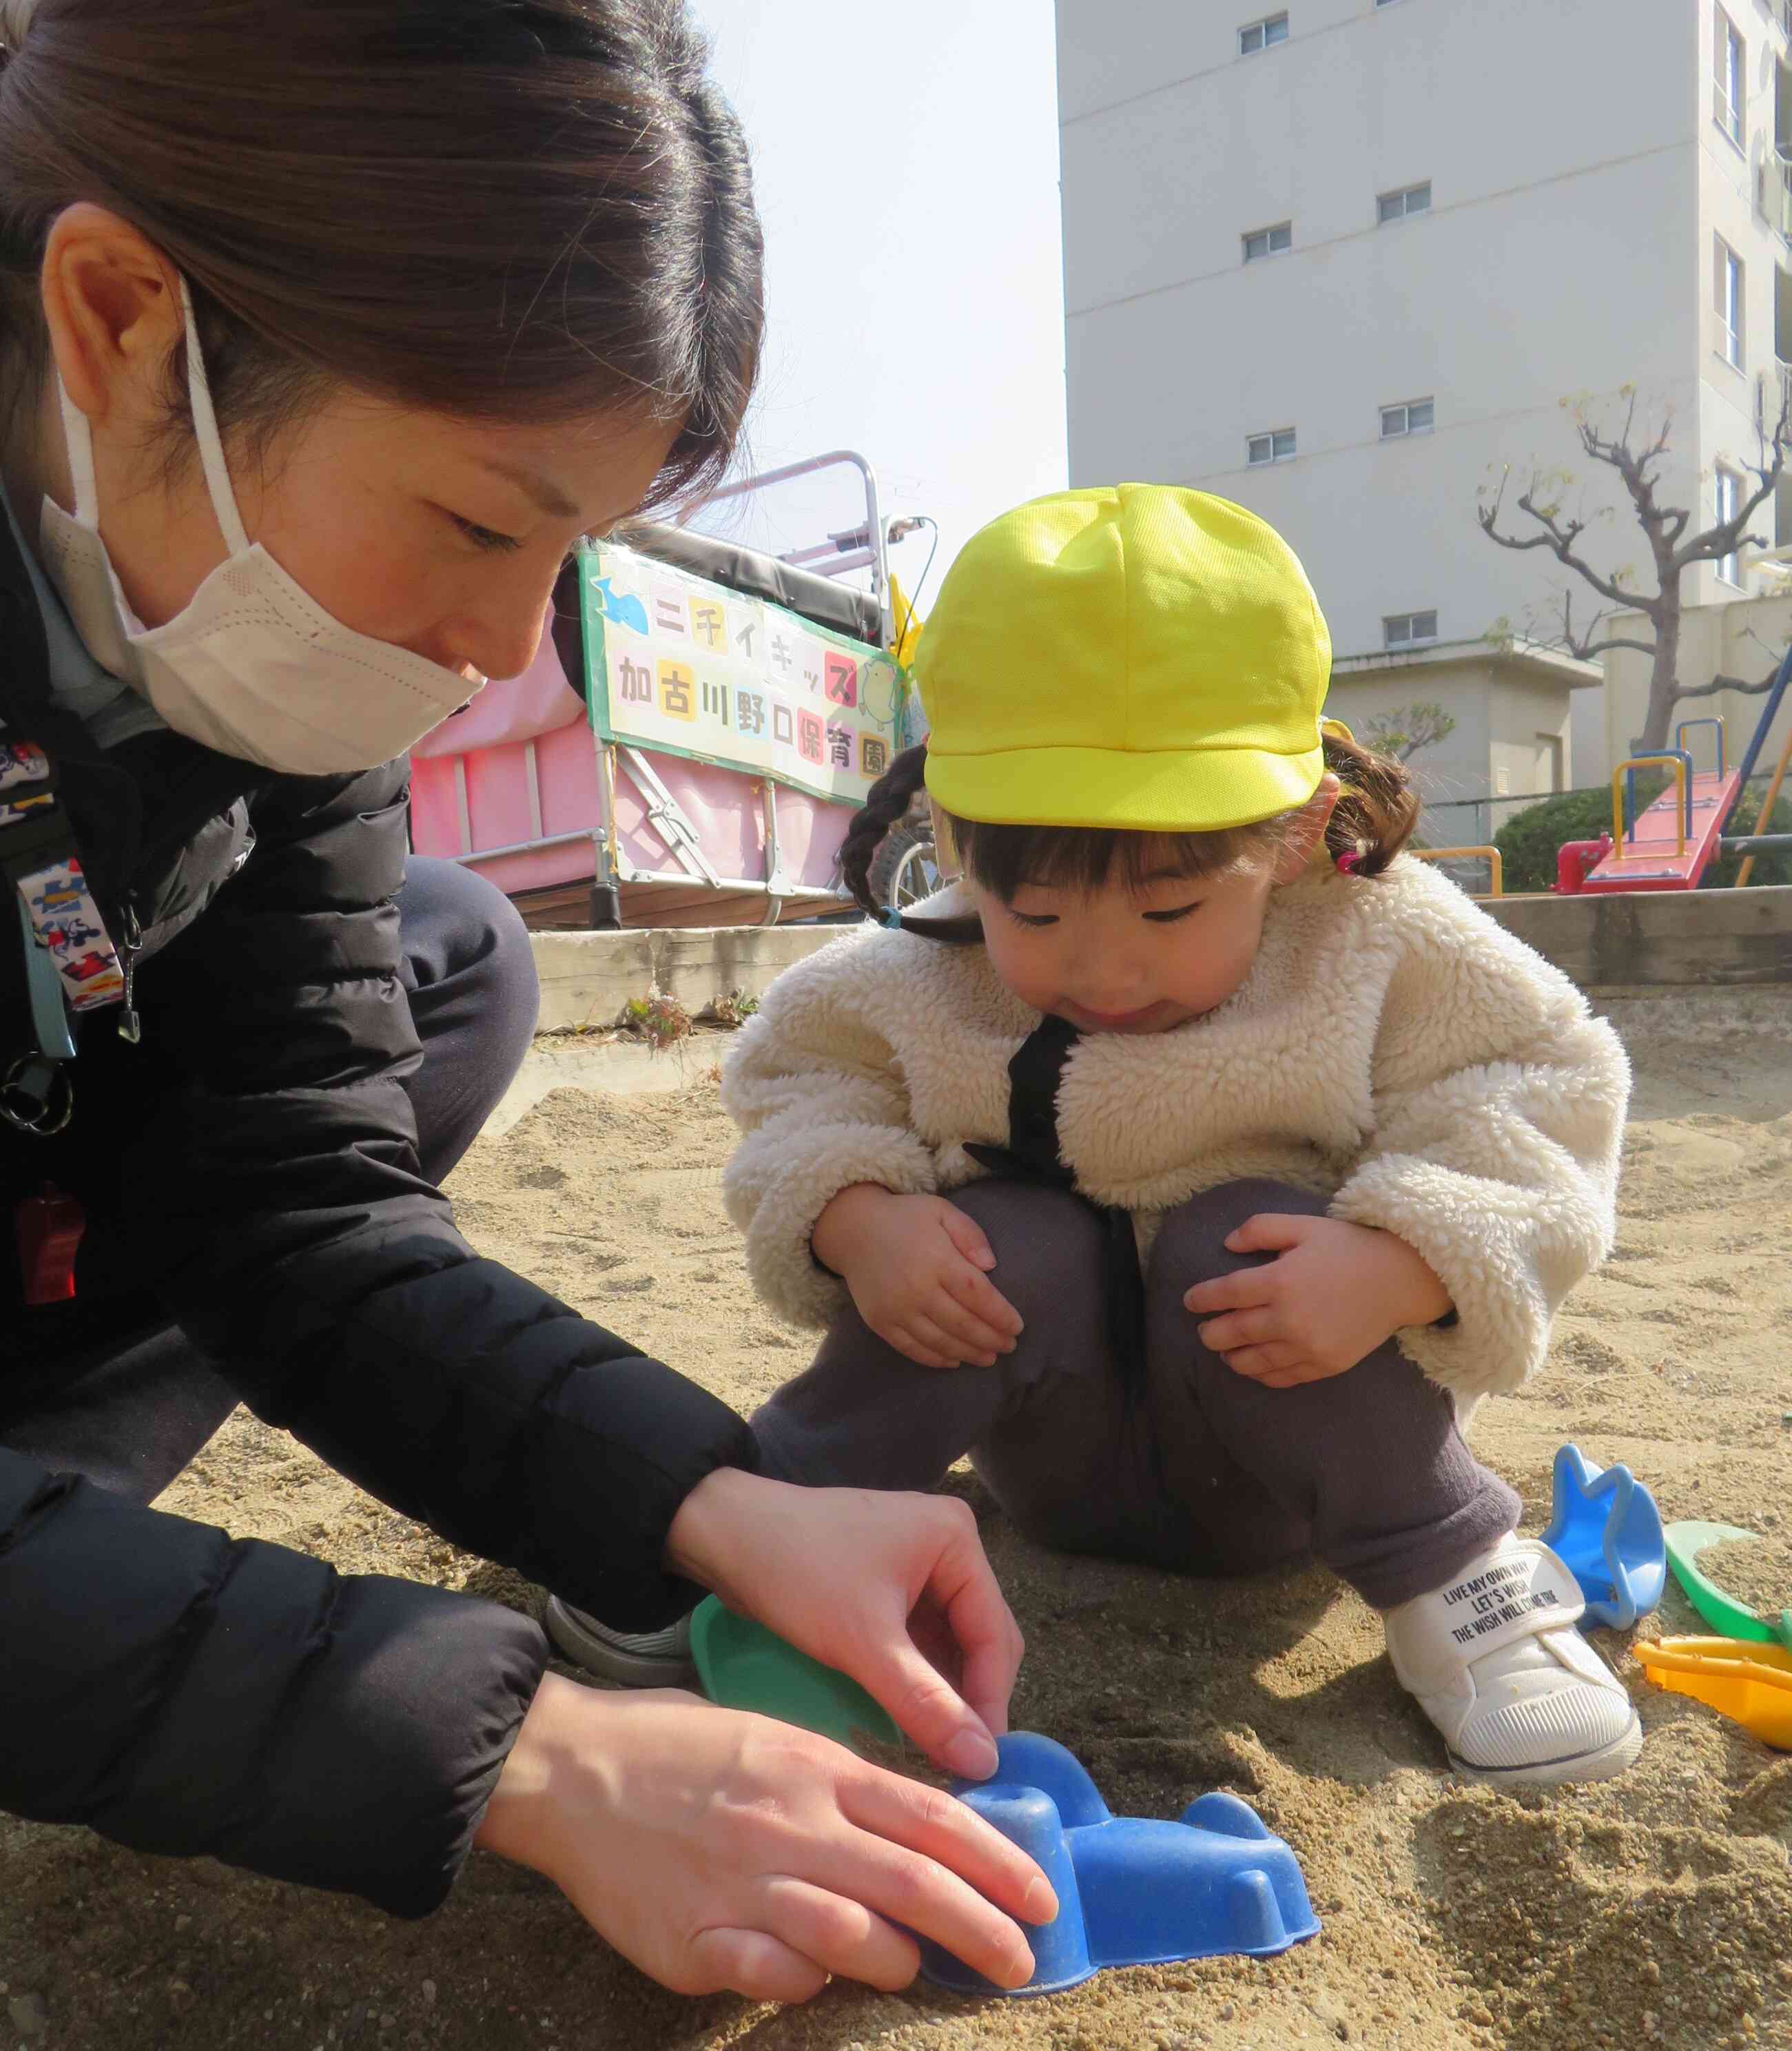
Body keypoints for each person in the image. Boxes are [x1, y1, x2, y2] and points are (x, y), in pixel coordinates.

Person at [0, 0, 1057, 2006]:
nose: (501, 645)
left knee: (449, 960)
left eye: (569, 550)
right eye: (483, 520)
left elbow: (299, 1210)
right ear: (125, 317)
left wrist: (710, 1497)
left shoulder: (251, 625)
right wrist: (537, 1756)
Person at [616, 484, 1642, 1786]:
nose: (1101, 967)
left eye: (1167, 911)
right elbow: (794, 1079)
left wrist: (1401, 1261)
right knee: (993, 1243)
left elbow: (1538, 1079)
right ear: (955, 844)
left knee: (1241, 1235)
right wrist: (857, 1221)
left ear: (1288, 834)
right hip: (1052, 1461)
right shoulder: (915, 965)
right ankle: (757, 1518)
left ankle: (1455, 1576)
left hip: (1296, 1463)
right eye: (1033, 913)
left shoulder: (1371, 935)